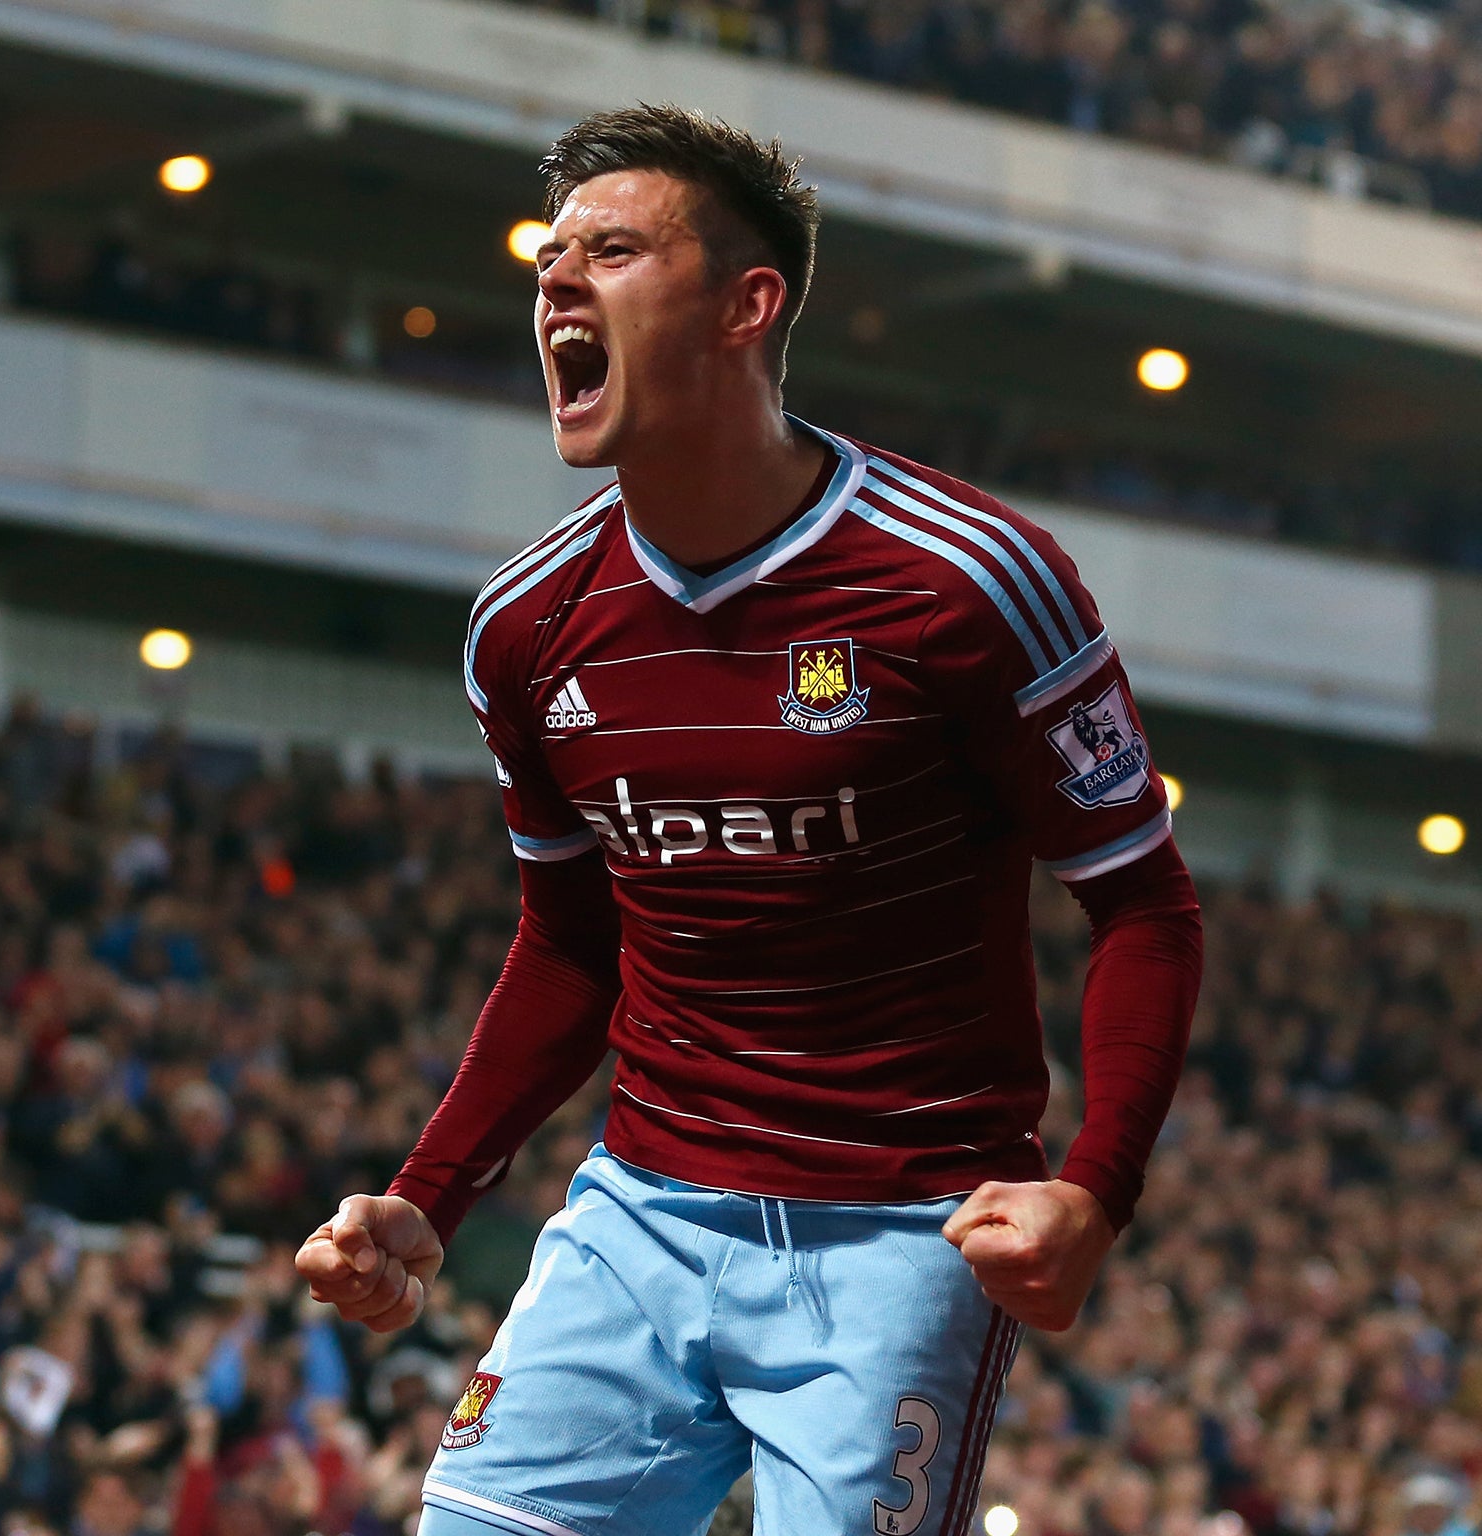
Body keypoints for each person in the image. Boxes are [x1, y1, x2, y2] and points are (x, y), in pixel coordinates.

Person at [295, 104, 1204, 1536]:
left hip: (902, 1241)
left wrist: (1094, 1191)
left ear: (745, 303)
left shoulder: (971, 583)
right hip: (640, 1210)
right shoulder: (526, 628)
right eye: (548, 259)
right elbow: (572, 939)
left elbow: (1145, 905)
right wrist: (430, 1194)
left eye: (610, 249)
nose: (554, 282)